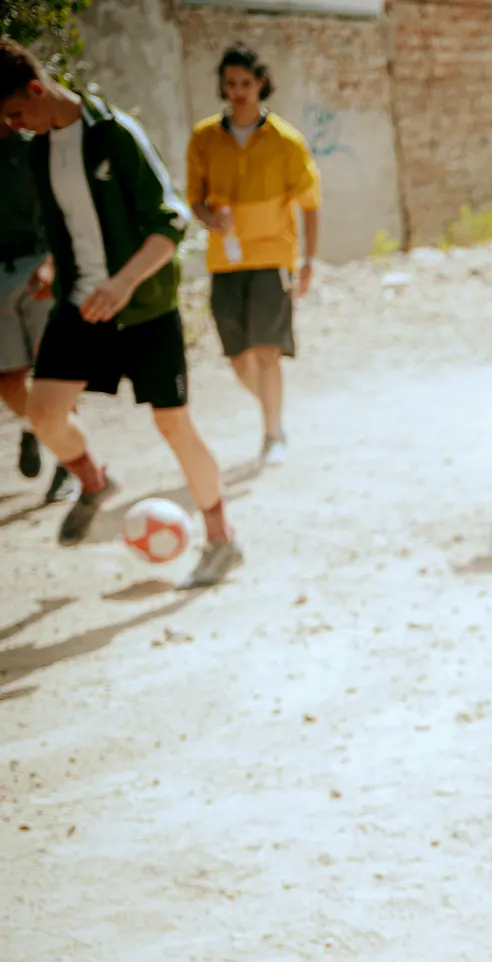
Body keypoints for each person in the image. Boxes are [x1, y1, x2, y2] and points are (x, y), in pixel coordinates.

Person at [0, 40, 240, 588]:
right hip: (81, 303)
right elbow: (75, 224)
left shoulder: (115, 134)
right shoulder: (40, 151)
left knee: (172, 423)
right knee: (44, 412)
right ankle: (93, 481)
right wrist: (55, 267)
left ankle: (223, 538)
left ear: (37, 91)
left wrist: (123, 282)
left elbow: (171, 221)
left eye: (15, 114)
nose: (12, 128)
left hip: (144, 306)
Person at [185, 42, 321, 466]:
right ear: (222, 88)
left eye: (246, 83)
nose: (238, 92)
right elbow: (194, 200)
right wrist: (209, 217)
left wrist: (308, 262)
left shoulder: (286, 140)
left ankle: (272, 431)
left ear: (261, 83)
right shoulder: (204, 138)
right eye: (230, 84)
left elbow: (310, 203)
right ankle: (274, 409)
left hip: (271, 259)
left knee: (267, 352)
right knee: (240, 359)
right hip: (225, 262)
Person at [0, 111, 66, 501]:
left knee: (53, 374)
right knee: (9, 380)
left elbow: (60, 212)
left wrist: (52, 262)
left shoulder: (31, 150)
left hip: (37, 268)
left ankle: (70, 466)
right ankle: (34, 428)